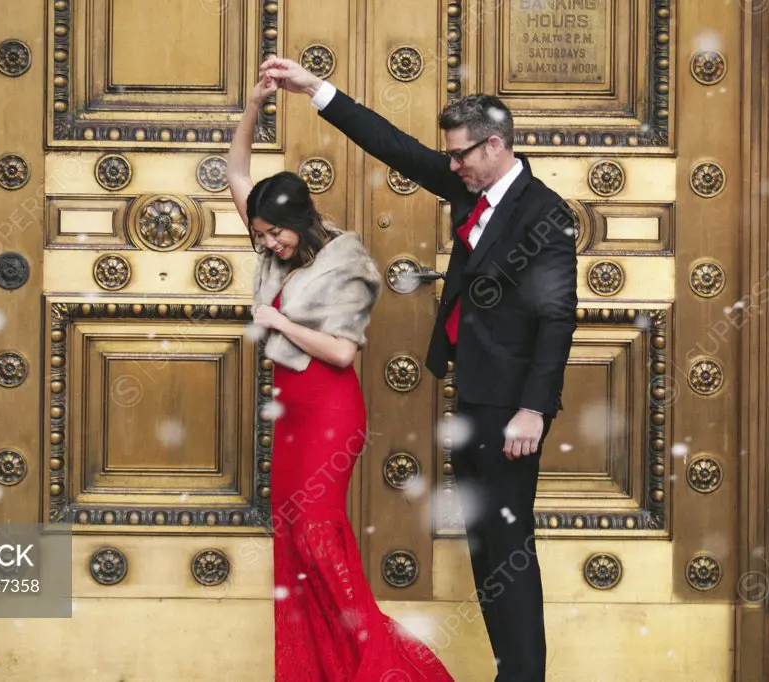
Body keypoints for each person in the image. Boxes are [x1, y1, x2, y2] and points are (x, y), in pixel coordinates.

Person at [260, 58, 578, 682]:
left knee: (509, 551)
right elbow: (395, 148)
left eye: (461, 155)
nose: (451, 165)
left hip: (512, 410)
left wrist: (533, 410)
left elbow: (558, 318)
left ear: (494, 145)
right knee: (488, 551)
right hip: (477, 397)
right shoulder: (473, 187)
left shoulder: (544, 213)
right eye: (451, 156)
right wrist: (316, 91)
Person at [228, 76, 457, 681]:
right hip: (291, 413)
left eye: (275, 233)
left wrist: (277, 318)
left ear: (301, 222)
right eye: (260, 235)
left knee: (321, 545)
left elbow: (340, 352)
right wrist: (253, 107)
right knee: (295, 548)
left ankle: (388, 670)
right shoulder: (273, 244)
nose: (268, 244)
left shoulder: (346, 264)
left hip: (330, 412)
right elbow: (235, 173)